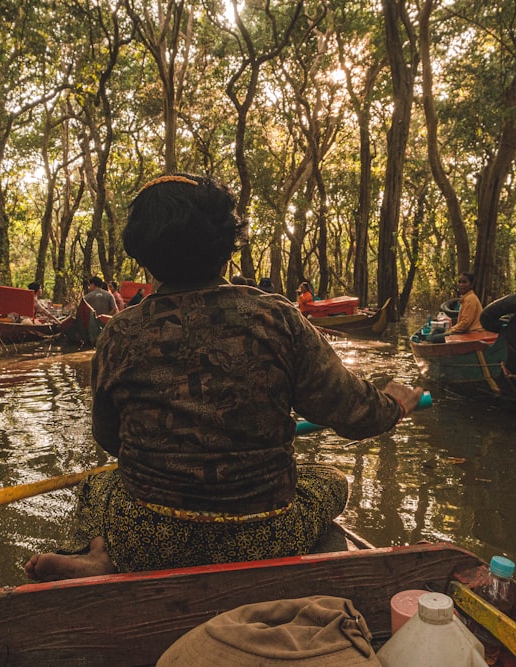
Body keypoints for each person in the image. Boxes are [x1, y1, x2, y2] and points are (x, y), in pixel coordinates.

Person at [24, 173, 423, 581]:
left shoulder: (119, 333)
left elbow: (109, 439)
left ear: (144, 252)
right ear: (226, 244)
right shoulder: (276, 317)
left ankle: (100, 555)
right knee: (331, 479)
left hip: (147, 539)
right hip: (264, 534)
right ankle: (106, 556)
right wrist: (393, 403)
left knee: (97, 487)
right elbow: (355, 414)